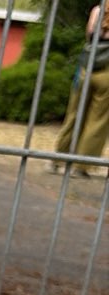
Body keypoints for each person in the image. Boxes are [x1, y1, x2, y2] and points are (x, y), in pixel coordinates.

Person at [50, 5, 109, 177]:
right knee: (98, 120)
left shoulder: (98, 10)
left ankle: (58, 159)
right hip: (107, 73)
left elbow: (89, 35)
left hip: (87, 67)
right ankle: (81, 166)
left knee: (74, 114)